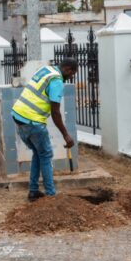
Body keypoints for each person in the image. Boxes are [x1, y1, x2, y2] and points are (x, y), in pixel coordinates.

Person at [11, 58, 78, 202]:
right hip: (32, 121)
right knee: (46, 155)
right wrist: (66, 135)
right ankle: (51, 196)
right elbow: (55, 112)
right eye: (72, 73)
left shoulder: (46, 70)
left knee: (38, 153)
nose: (72, 76)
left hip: (18, 116)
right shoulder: (56, 81)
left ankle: (33, 191)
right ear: (67, 69)